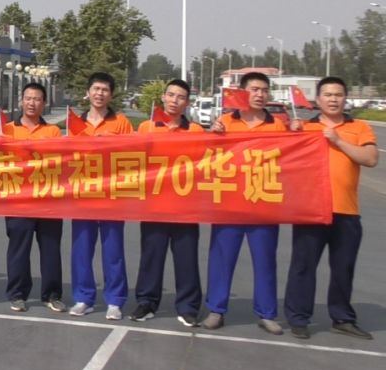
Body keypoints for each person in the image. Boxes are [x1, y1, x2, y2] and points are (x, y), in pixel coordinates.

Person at [284, 76, 378, 340]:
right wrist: (292, 132)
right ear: (318, 99)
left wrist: (337, 140)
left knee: (343, 268)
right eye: (328, 94)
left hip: (346, 211)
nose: (333, 99)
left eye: (338, 94)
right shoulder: (305, 127)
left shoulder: (359, 127)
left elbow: (370, 159)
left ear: (345, 98)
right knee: (303, 267)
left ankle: (342, 318)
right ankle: (298, 318)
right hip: (311, 211)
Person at [203, 72, 288, 335]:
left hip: (263, 203)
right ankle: (216, 309)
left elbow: (290, 161)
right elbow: (206, 157)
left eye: (264, 90)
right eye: (254, 89)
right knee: (221, 258)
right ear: (242, 92)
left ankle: (267, 313)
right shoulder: (225, 122)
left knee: (265, 261)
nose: (260, 94)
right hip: (229, 202)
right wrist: (212, 135)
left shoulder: (278, 126)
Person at [130, 79, 203, 326]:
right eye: (171, 95)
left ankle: (188, 306)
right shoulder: (147, 128)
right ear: (163, 97)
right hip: (154, 205)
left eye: (180, 97)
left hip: (185, 207)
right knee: (151, 257)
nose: (174, 100)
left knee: (186, 259)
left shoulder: (196, 131)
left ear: (187, 102)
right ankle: (146, 302)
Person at [68, 71, 133, 320]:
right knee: (81, 249)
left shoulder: (122, 123)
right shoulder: (76, 123)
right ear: (88, 93)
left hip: (112, 194)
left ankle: (115, 300)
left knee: (113, 249)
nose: (99, 93)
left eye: (105, 90)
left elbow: (134, 154)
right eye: (96, 89)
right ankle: (83, 297)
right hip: (83, 193)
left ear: (111, 95)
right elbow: (66, 156)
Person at [2, 82, 66, 313]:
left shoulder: (53, 132)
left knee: (50, 249)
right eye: (28, 98)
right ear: (21, 101)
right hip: (18, 200)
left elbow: (59, 162)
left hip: (47, 200)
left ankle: (52, 294)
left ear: (44, 103)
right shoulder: (8, 130)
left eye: (37, 99)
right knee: (18, 249)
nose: (32, 103)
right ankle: (17, 294)